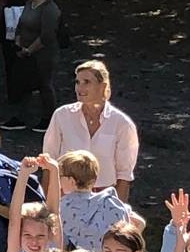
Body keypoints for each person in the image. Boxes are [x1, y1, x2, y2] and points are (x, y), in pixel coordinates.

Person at [40, 59, 138, 202]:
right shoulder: (62, 115)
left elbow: (124, 175)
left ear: (102, 86)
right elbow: (49, 161)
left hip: (104, 198)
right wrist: (45, 204)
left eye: (87, 82)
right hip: (64, 196)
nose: (80, 88)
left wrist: (119, 212)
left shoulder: (122, 124)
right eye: (77, 82)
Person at [12, 0, 62, 128]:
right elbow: (20, 24)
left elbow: (47, 35)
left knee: (44, 84)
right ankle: (20, 117)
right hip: (25, 51)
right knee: (23, 84)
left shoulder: (49, 9)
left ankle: (48, 119)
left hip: (43, 55)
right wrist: (18, 41)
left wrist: (30, 50)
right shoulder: (29, 4)